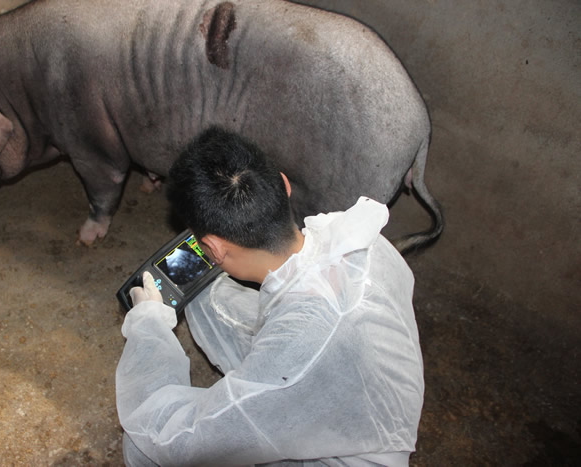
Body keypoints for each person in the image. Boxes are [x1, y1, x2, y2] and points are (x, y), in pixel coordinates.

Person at [115, 127, 424, 466]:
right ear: (284, 185)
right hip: (364, 390)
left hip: (347, 455)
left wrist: (149, 327)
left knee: (143, 449)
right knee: (205, 295)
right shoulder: (359, 236)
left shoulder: (297, 350)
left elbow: (177, 440)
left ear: (214, 248)